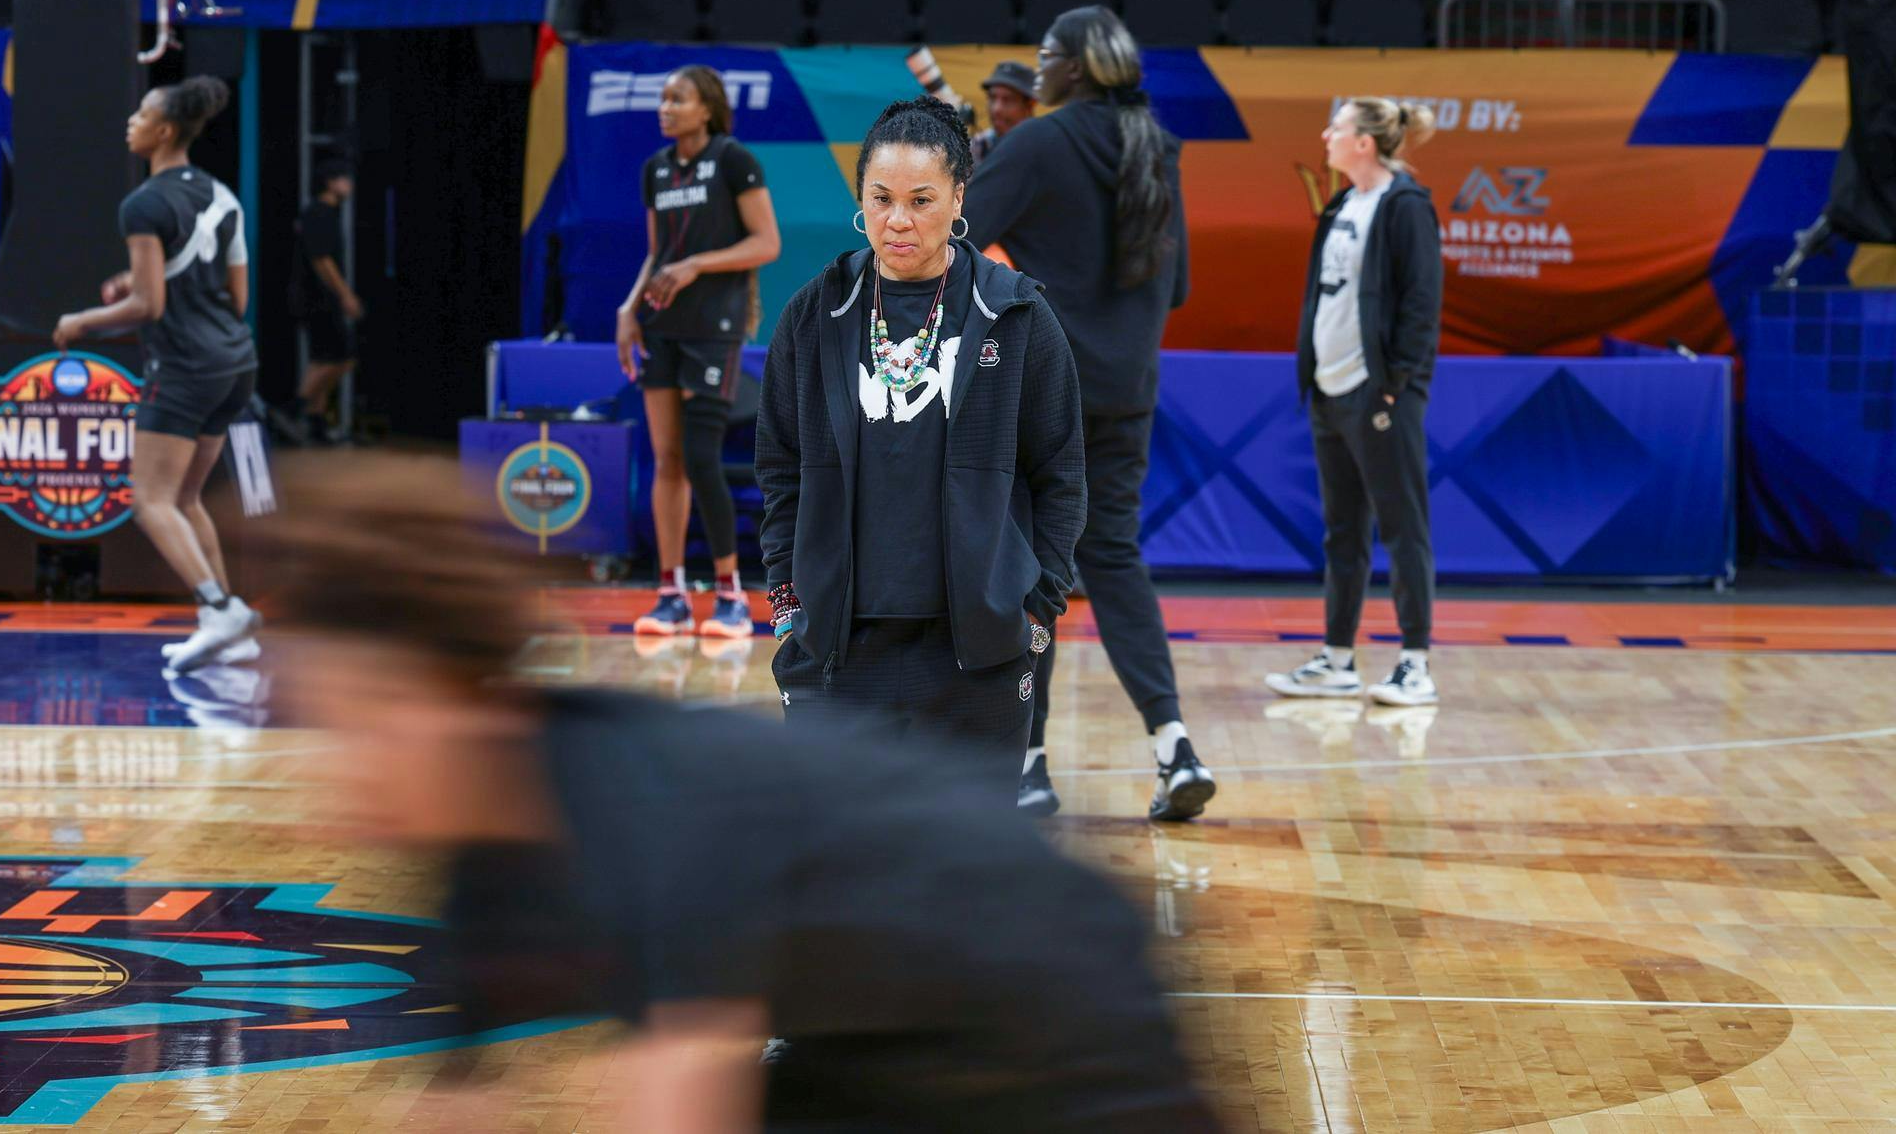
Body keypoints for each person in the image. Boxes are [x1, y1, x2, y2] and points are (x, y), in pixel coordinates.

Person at [258, 453, 1224, 1133]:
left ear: (458, 698)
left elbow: (675, 1088)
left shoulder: (635, 805)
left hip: (1064, 1005)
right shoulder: (483, 865)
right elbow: (455, 1108)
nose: (340, 775)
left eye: (362, 721)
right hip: (883, 1044)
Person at [755, 97, 1087, 799]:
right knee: (836, 855)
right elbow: (779, 468)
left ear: (959, 197)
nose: (898, 220)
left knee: (970, 860)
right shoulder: (815, 313)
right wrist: (788, 604)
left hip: (976, 658)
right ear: (861, 199)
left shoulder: (1018, 312)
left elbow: (1061, 472)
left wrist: (1034, 613)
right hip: (838, 653)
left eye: (921, 200)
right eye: (881, 199)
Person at [961, 5, 1215, 822]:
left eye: (1045, 54)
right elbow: (1177, 287)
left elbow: (953, 240)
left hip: (1044, 388)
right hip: (1129, 387)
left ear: (1073, 67)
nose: (1035, 66)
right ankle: (1175, 745)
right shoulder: (1157, 146)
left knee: (1030, 572)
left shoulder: (1038, 143)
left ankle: (1028, 766)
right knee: (1113, 555)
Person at [51, 75, 260, 673]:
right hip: (234, 364)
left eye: (141, 115)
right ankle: (230, 632)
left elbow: (149, 307)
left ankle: (219, 609)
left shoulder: (143, 205)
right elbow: (236, 297)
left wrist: (80, 321)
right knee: (185, 497)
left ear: (164, 131)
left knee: (149, 500)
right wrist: (142, 280)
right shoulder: (222, 196)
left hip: (185, 367)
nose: (131, 122)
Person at [1266, 98, 1443, 709]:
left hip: (1377, 391)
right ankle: (1337, 659)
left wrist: (1394, 383)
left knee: (1403, 526)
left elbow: (1422, 303)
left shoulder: (1406, 206)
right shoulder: (1342, 204)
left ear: (1364, 142)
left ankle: (1415, 663)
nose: (1326, 136)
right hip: (1330, 388)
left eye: (1337, 128)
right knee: (1342, 531)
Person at [617, 65, 780, 640]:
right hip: (662, 324)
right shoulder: (655, 169)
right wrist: (628, 309)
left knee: (700, 455)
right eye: (662, 98)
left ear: (706, 109)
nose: (665, 107)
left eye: (677, 98)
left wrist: (696, 266)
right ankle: (672, 595)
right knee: (667, 459)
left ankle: (730, 595)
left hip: (715, 325)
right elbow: (656, 252)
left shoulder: (733, 159)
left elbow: (767, 243)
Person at [285, 159, 363, 445]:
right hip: (317, 298)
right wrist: (345, 295)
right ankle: (294, 408)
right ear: (330, 182)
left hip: (317, 297)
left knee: (322, 358)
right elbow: (321, 260)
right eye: (344, 179)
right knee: (343, 356)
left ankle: (315, 423)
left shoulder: (324, 213)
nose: (349, 185)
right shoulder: (318, 213)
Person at [970, 59, 1038, 164]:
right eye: (992, 98)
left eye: (1008, 99)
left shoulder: (1046, 147)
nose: (996, 109)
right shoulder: (979, 146)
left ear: (1030, 104)